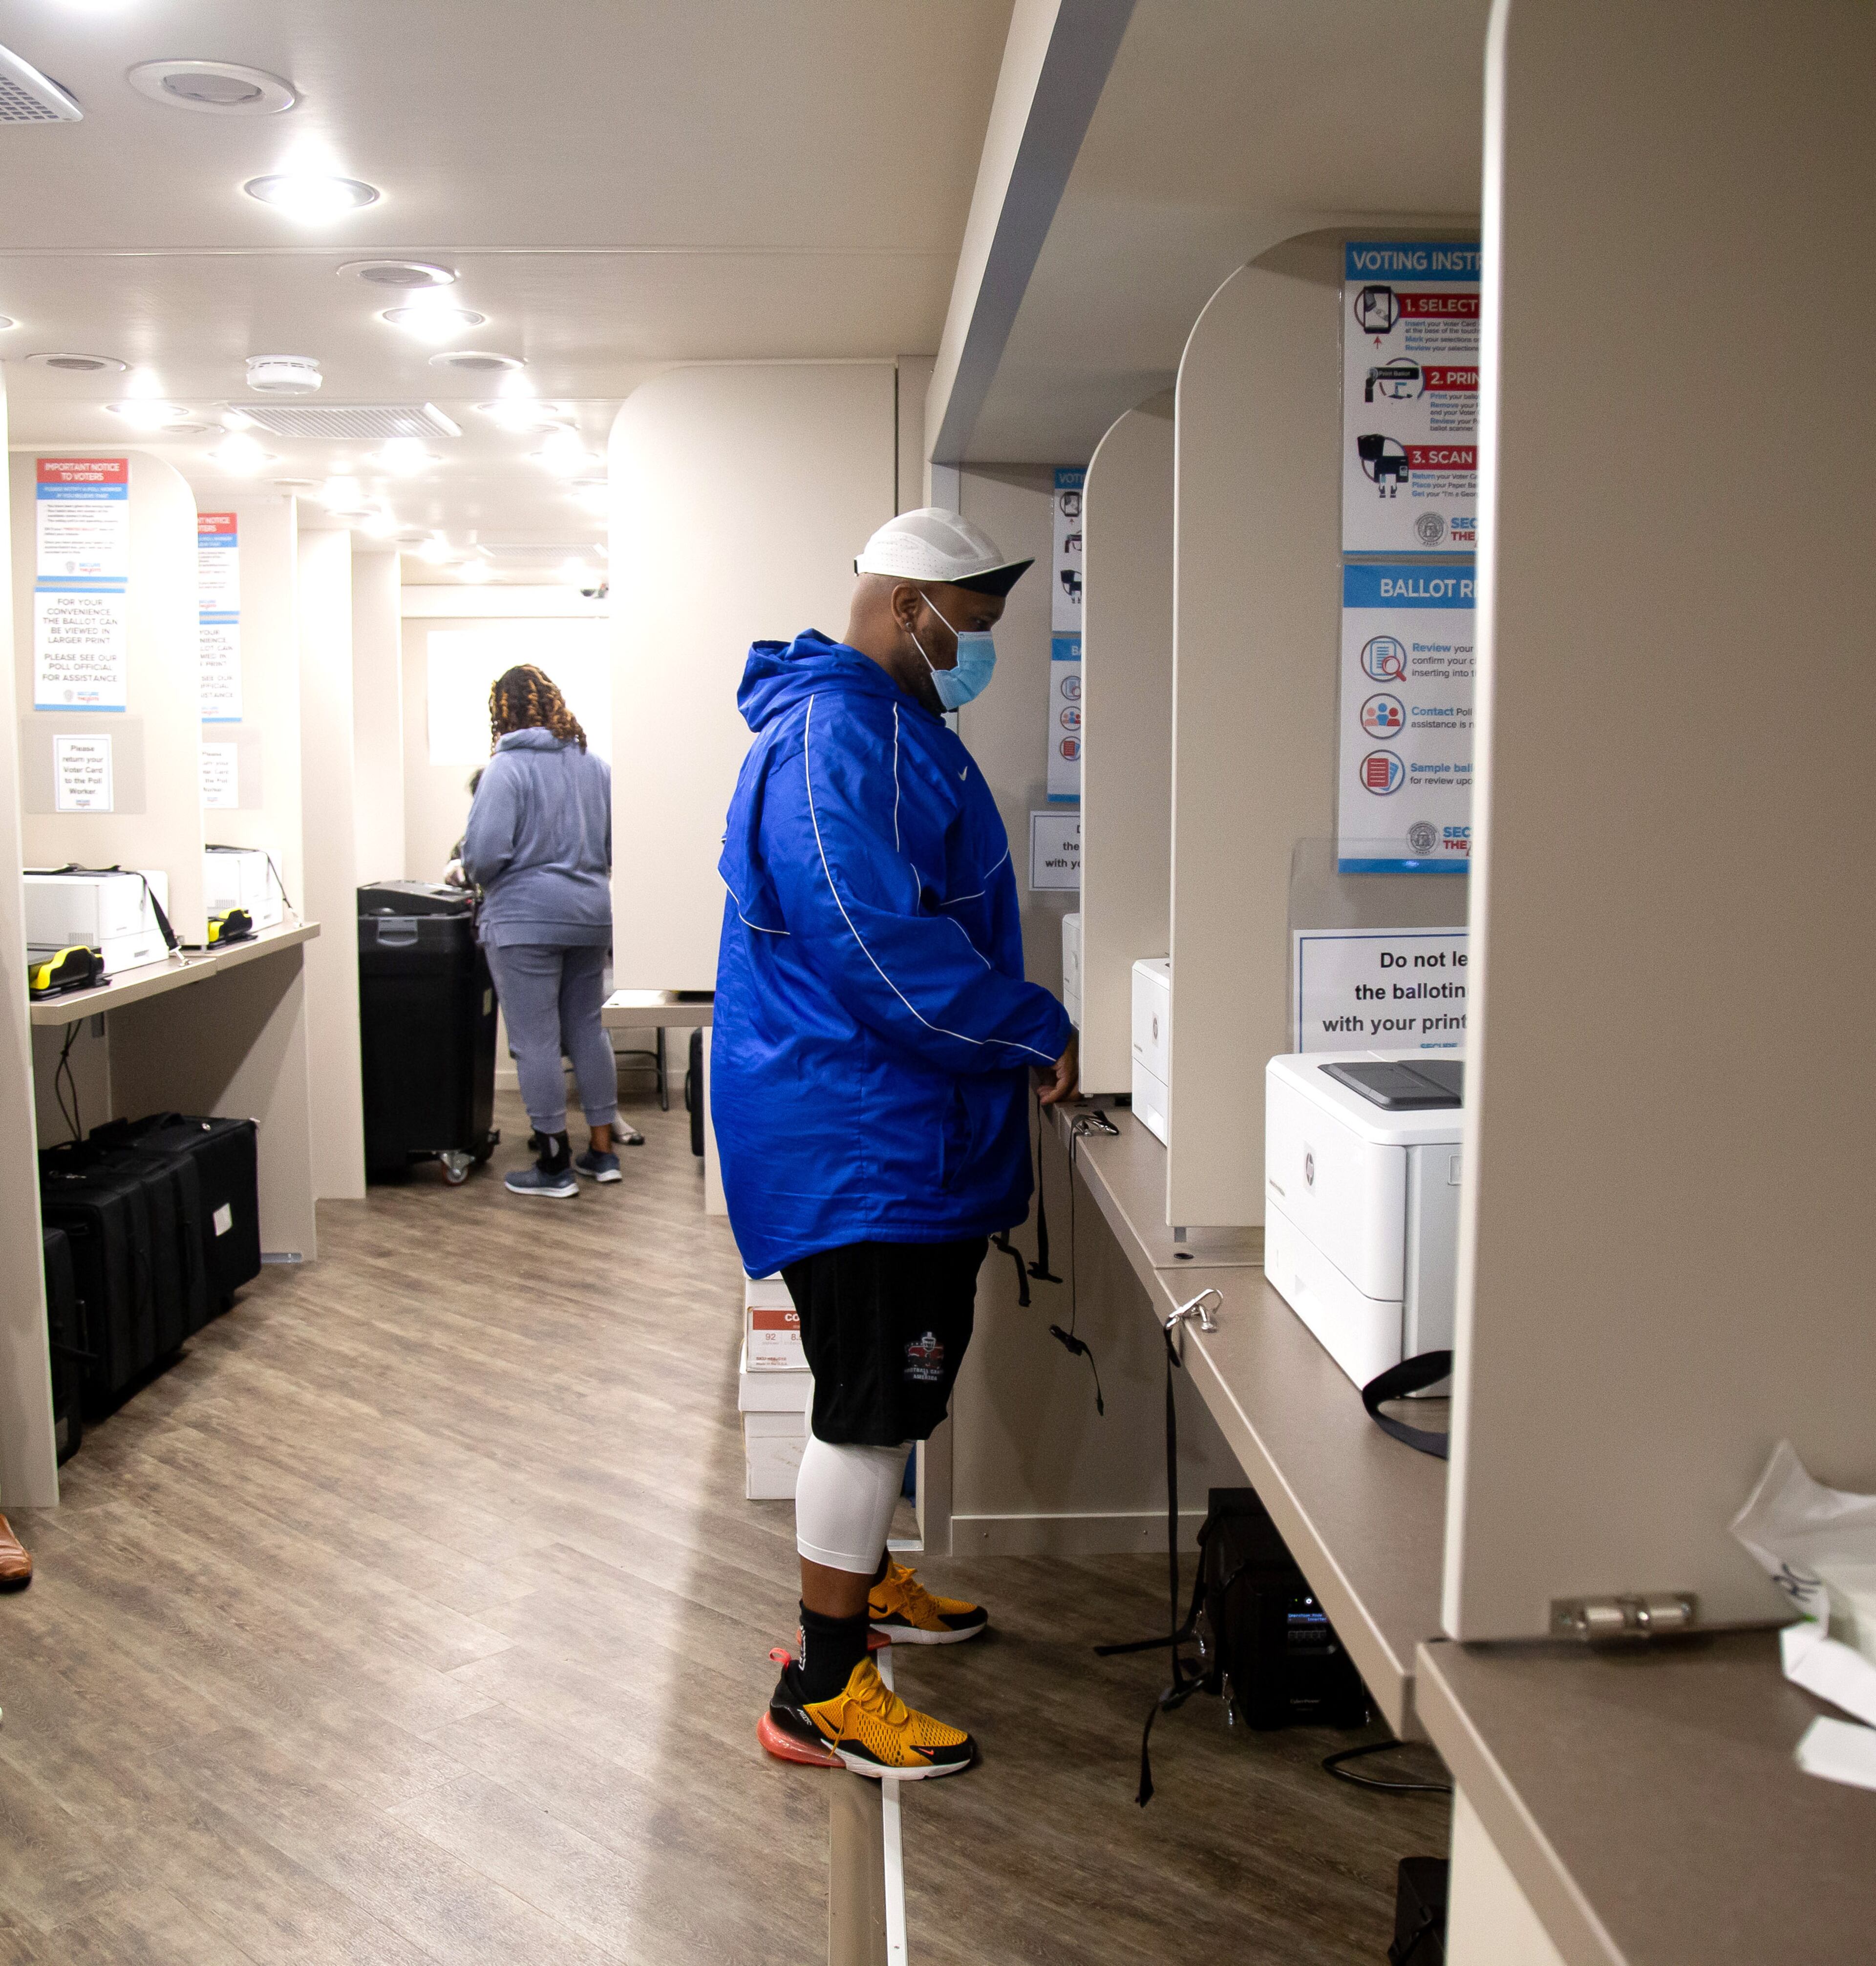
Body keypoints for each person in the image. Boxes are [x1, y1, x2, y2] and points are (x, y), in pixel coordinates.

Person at [713, 508, 1078, 1778]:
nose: (973, 651)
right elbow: (876, 951)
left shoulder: (885, 725)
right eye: (967, 629)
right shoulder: (833, 735)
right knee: (868, 1414)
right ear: (906, 605)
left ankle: (857, 1595)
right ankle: (822, 1690)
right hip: (860, 1138)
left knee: (883, 1396)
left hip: (890, 1129)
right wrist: (1029, 1025)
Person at [461, 664, 621, 1198]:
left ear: (500, 713)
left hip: (526, 919)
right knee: (587, 1029)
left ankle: (552, 1164)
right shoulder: (595, 767)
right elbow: (614, 845)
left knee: (535, 1041)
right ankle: (602, 1151)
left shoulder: (506, 770)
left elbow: (483, 855)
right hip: (592, 915)